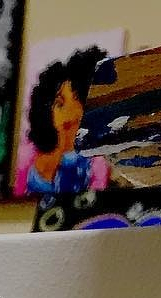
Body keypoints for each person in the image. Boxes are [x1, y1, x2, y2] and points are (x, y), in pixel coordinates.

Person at [21, 45, 108, 197]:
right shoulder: (28, 154)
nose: (69, 112)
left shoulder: (95, 164)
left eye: (76, 101)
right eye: (60, 103)